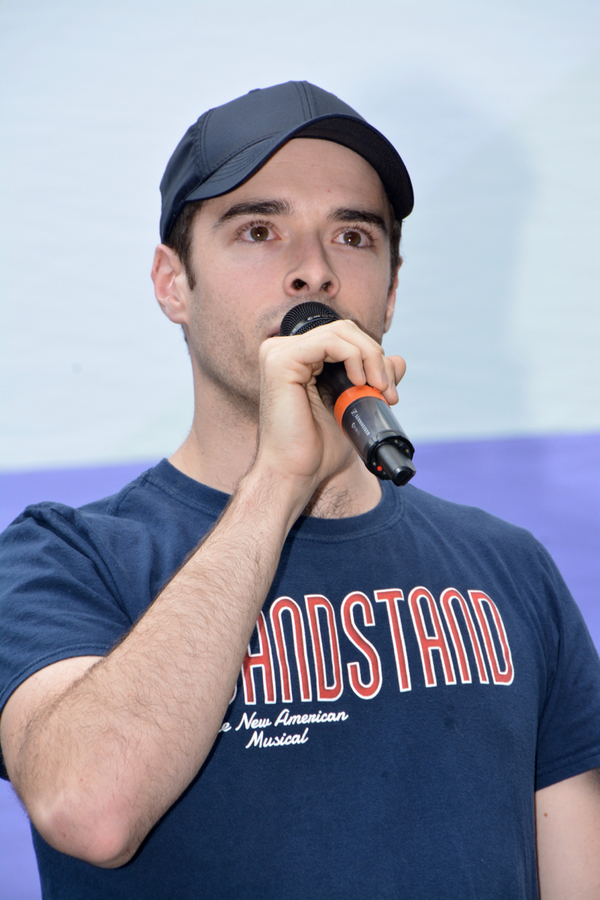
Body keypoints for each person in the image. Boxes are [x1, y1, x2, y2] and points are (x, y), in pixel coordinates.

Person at [1, 81, 599, 900]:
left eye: (352, 235)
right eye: (258, 230)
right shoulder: (63, 558)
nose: (313, 271)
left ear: (388, 292)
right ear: (173, 283)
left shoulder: (510, 567)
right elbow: (88, 812)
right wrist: (280, 480)